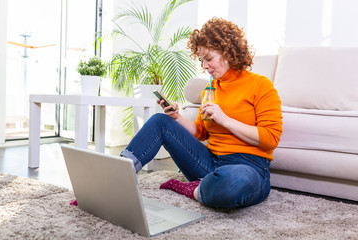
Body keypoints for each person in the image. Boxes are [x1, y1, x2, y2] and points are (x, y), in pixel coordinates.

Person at [120, 17, 283, 209]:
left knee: (233, 183)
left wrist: (225, 120)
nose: (204, 66)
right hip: (208, 162)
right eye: (201, 60)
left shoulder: (261, 85)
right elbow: (201, 132)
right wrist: (177, 117)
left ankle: (192, 189)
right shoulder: (210, 89)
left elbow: (271, 138)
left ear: (228, 52)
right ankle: (116, 180)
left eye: (208, 59)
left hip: (249, 166)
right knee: (159, 121)